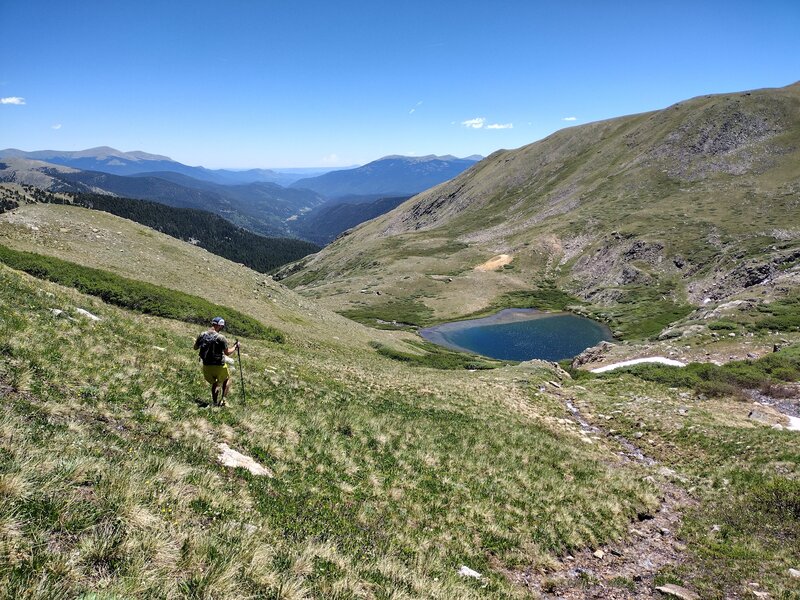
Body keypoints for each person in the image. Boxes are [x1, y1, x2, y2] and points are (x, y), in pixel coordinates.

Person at [194, 317, 240, 406]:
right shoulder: (221, 337)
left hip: (206, 364)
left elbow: (195, 347)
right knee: (227, 379)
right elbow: (227, 353)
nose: (222, 328)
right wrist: (235, 347)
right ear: (219, 325)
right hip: (219, 365)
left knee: (215, 383)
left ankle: (214, 403)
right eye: (222, 326)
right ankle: (223, 400)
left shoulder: (202, 334)